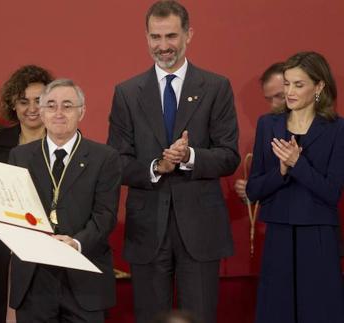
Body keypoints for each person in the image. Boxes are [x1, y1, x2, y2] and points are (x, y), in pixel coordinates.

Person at [107, 1, 240, 322]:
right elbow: (118, 162)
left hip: (200, 229)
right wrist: (157, 167)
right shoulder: (127, 92)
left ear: (188, 35)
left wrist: (190, 156)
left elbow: (229, 155)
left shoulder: (216, 87)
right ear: (146, 38)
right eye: (155, 37)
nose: (163, 46)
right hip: (147, 229)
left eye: (171, 36)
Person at [9, 79, 121, 322]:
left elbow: (105, 215)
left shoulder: (105, 158)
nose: (58, 113)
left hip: (84, 277)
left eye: (68, 106)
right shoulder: (20, 156)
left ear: (82, 111)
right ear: (41, 112)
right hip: (34, 278)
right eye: (51, 105)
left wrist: (77, 244)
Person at [246, 51, 344, 323]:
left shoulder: (337, 129)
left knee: (320, 312)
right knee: (276, 312)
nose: (289, 91)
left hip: (318, 236)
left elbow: (331, 192)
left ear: (319, 86)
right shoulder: (269, 125)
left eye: (298, 85)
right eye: (287, 83)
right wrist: (281, 170)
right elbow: (254, 190)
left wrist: (298, 163)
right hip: (278, 233)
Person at [0, 64, 53, 323]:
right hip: (4, 248)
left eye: (38, 101)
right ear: (13, 105)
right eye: (23, 101)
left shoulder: (63, 141)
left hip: (49, 248)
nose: (31, 108)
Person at [234, 62, 285, 201]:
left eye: (280, 96)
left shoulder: (326, 126)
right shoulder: (266, 124)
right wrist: (251, 191)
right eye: (269, 99)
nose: (274, 105)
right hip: (274, 215)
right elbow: (256, 181)